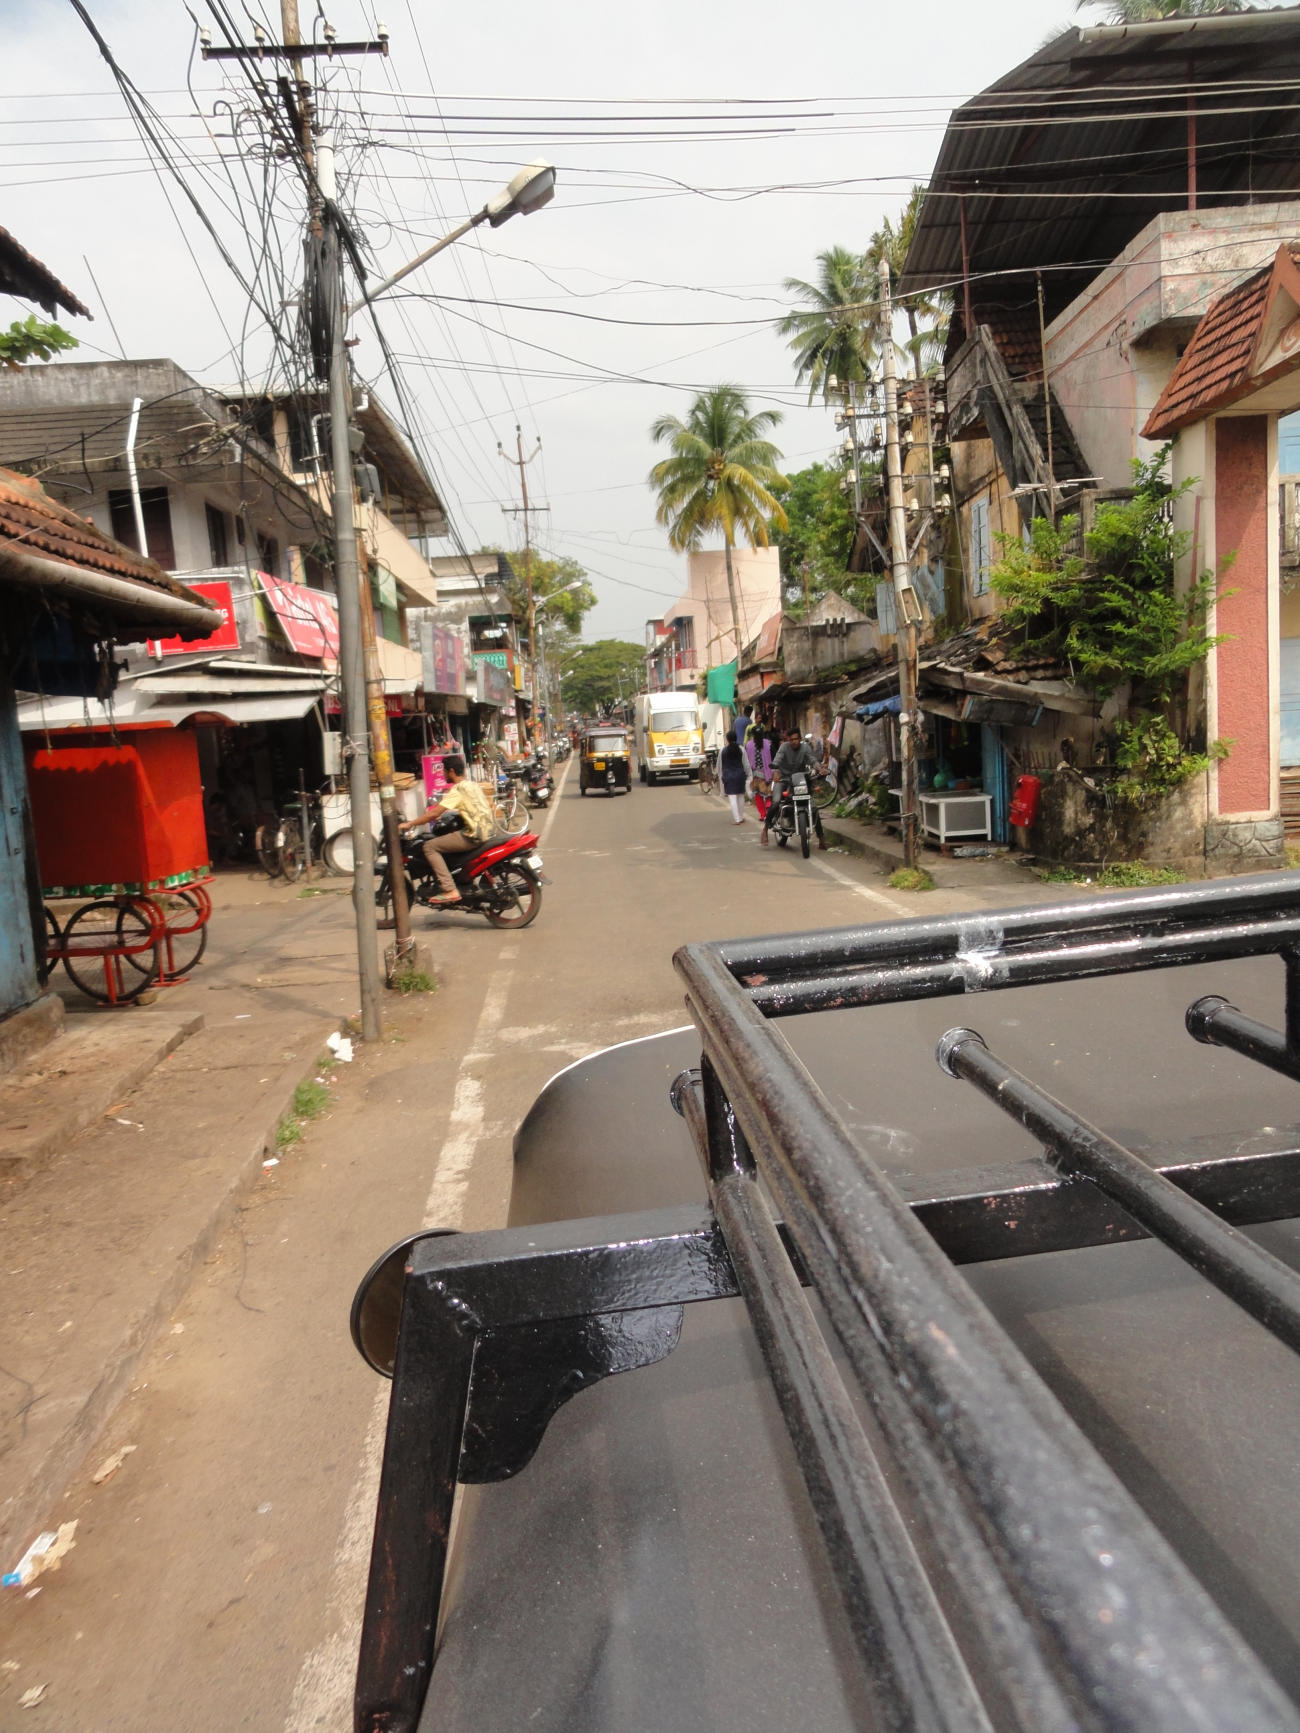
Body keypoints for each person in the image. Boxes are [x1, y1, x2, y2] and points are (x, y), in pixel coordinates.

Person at [400, 755, 497, 906]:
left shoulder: (458, 789)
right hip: (487, 831)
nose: (443, 774)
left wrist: (410, 824)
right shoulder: (472, 785)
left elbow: (434, 813)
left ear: (451, 771)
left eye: (444, 771)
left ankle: (449, 889)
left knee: (429, 846)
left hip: (474, 834)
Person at [762, 727, 825, 849]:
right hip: (783, 780)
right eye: (791, 740)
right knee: (776, 801)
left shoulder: (805, 748)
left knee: (813, 806)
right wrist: (775, 771)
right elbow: (777, 759)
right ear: (788, 740)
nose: (793, 742)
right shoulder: (784, 747)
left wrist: (820, 768)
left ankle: (821, 838)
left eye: (796, 739)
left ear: (800, 739)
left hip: (800, 780)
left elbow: (812, 760)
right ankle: (765, 828)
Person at [719, 728, 748, 825]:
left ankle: (737, 819)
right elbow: (746, 763)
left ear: (727, 739)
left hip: (729, 776)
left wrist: (720, 775)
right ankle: (741, 817)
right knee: (740, 796)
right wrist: (748, 774)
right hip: (740, 775)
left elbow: (721, 765)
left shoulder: (723, 750)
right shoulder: (741, 749)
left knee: (732, 798)